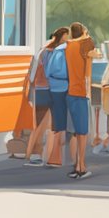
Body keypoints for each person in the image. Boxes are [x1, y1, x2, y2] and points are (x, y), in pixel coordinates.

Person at [23, 29, 61, 166]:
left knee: (41, 125)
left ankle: (35, 155)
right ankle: (40, 155)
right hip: (47, 90)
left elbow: (32, 75)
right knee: (46, 125)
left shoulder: (42, 51)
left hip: (39, 90)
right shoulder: (51, 53)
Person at [64, 22, 96, 179]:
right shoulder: (85, 44)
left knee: (76, 133)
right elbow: (91, 43)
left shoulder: (69, 46)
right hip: (82, 93)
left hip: (71, 92)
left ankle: (76, 165)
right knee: (82, 133)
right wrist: (87, 34)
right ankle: (81, 166)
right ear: (83, 32)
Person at [43, 26, 72, 169]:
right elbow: (57, 71)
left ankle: (54, 156)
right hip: (61, 88)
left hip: (53, 88)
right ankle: (55, 157)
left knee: (57, 122)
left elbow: (48, 72)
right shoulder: (61, 51)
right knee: (60, 123)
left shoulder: (53, 50)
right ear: (64, 36)